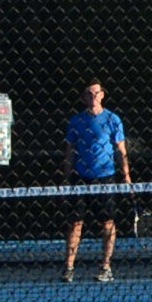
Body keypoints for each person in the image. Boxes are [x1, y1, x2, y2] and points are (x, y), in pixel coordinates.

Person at [60, 82, 134, 280]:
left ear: (102, 95)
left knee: (108, 222)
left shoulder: (112, 120)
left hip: (106, 177)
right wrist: (67, 177)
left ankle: (106, 267)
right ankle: (69, 268)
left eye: (96, 93)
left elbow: (121, 150)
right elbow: (70, 152)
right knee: (76, 223)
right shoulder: (76, 121)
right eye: (89, 94)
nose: (93, 96)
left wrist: (126, 176)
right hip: (81, 178)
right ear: (84, 97)